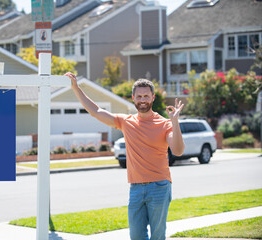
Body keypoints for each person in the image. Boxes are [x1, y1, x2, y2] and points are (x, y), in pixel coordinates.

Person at [64, 72, 185, 240]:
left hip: (159, 186)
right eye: (139, 96)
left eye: (146, 96)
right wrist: (75, 88)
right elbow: (96, 111)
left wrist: (175, 122)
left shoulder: (164, 124)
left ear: (153, 97)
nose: (143, 100)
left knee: (158, 236)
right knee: (136, 236)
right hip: (135, 188)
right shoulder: (126, 122)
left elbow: (178, 151)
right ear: (133, 98)